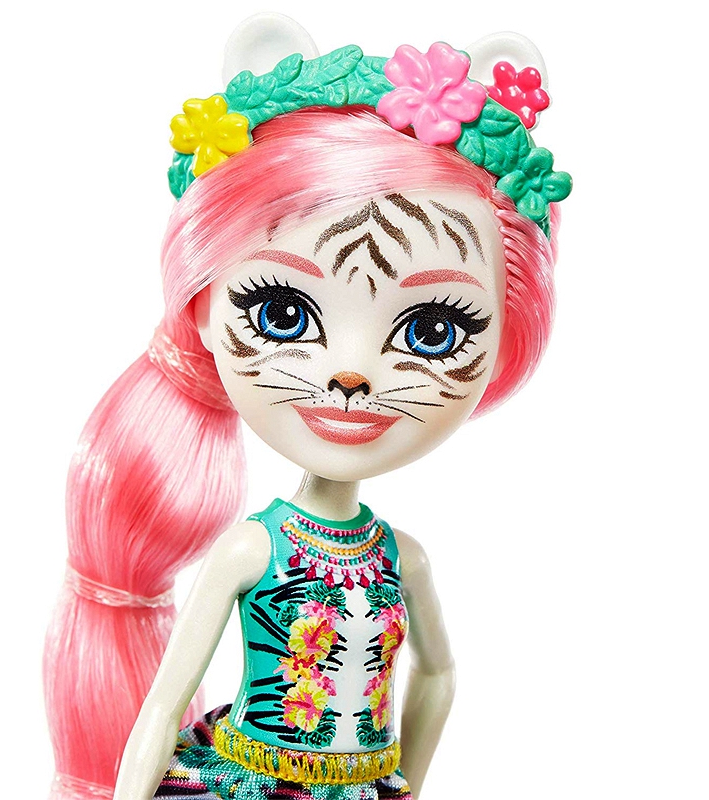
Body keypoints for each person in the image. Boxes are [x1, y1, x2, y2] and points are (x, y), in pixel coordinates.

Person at [44, 21, 571, 800]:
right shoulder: (252, 550)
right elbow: (161, 706)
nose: (352, 376)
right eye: (284, 314)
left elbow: (439, 675)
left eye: (432, 330)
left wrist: (406, 785)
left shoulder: (404, 560)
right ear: (204, 309)